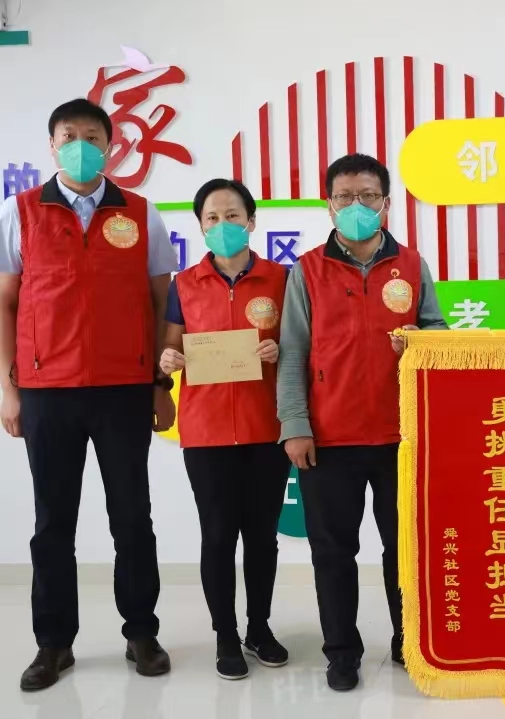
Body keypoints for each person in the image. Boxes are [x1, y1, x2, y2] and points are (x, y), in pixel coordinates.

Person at [0, 99, 178, 691]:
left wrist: (159, 385)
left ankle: (141, 632)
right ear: (51, 145)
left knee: (132, 516)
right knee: (53, 521)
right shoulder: (19, 212)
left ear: (110, 145)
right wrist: (8, 388)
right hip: (47, 390)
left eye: (92, 136)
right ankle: (53, 644)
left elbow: (162, 304)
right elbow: (5, 303)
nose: (81, 145)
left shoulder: (141, 214)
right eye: (68, 135)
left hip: (123, 388)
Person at [277, 153, 447, 691]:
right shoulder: (307, 270)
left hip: (403, 435)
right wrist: (295, 424)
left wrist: (421, 341)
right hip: (329, 436)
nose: (357, 205)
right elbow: (292, 351)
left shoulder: (412, 265)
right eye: (346, 196)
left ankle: (408, 642)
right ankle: (341, 653)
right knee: (333, 552)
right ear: (329, 205)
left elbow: (439, 332)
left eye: (368, 195)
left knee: (405, 549)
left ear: (386, 203)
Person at [159, 179, 291, 681]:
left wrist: (280, 349)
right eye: (211, 218)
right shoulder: (184, 285)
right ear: (200, 227)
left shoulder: (282, 278)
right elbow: (170, 347)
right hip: (206, 431)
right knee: (217, 536)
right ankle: (225, 635)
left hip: (266, 427)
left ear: (251, 221)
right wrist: (168, 359)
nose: (222, 225)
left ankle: (259, 628)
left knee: (262, 537)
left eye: (232, 215)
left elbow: (303, 344)